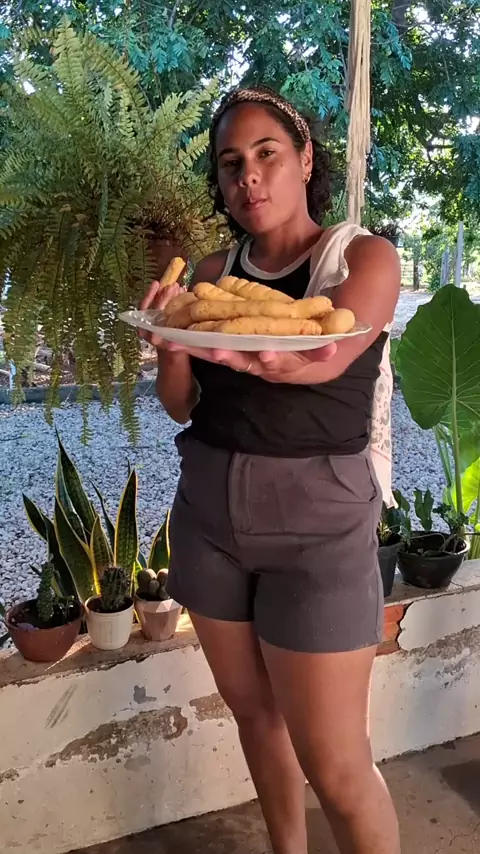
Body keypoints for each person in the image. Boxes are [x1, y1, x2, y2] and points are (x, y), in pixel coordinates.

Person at [140, 87, 401, 854]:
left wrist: (276, 362)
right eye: (231, 164)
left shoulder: (361, 258)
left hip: (319, 525)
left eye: (266, 155)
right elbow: (181, 406)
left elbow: (329, 357)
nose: (248, 176)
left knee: (339, 767)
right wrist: (170, 343)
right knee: (255, 716)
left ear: (304, 160)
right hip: (210, 517)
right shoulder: (212, 273)